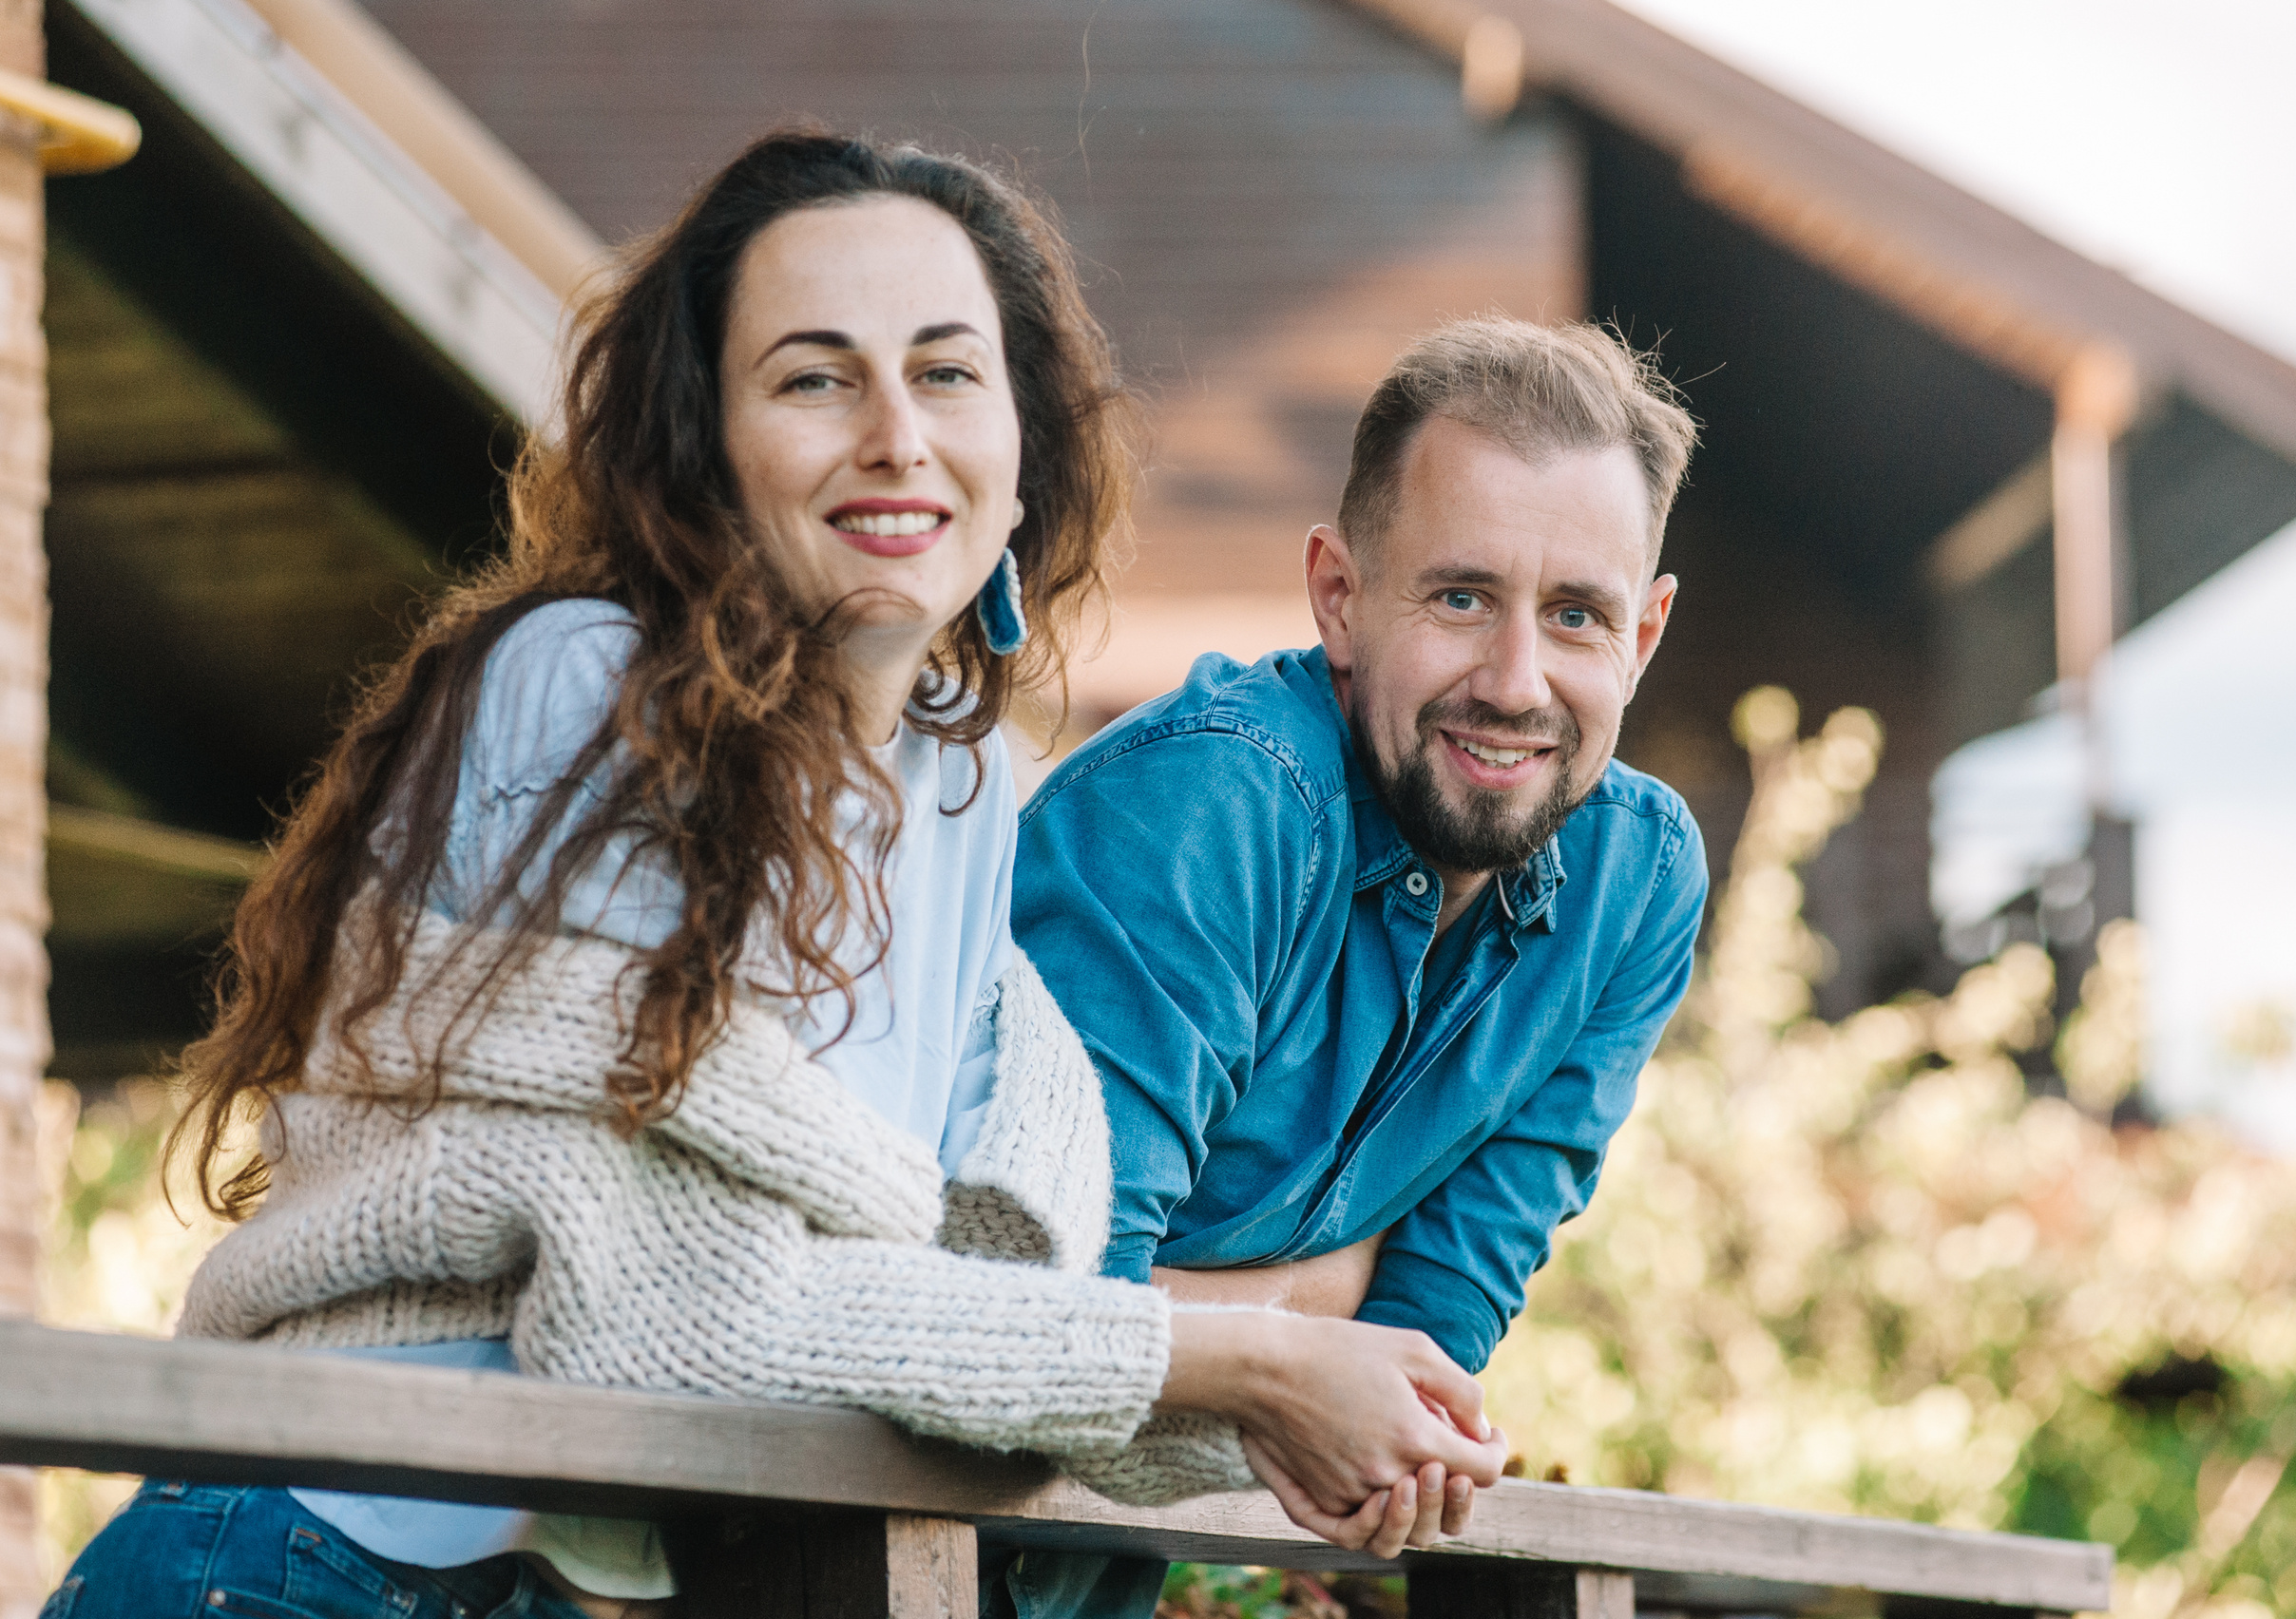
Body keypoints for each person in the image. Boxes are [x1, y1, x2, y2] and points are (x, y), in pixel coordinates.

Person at [45, 132, 1506, 1619]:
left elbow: (951, 1317)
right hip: (309, 1561)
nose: (894, 435)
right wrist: (1253, 1365)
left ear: (1025, 454)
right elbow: (679, 1315)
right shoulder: (587, 688)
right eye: (814, 378)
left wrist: (1303, 1428)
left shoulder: (957, 787)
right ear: (704, 449)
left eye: (947, 373)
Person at [1011, 315, 1707, 1611]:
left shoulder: (1639, 882)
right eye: (1460, 596)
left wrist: (1228, 1342)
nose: (1516, 681)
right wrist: (1306, 1324)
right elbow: (1047, 1326)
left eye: (1575, 616)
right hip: (852, 1547)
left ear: (1645, 634)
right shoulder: (1215, 805)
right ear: (1339, 595)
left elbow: (1427, 1351)